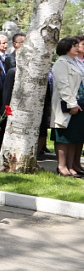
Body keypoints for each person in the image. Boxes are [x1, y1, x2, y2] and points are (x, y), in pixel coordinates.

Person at [49, 36, 84, 178]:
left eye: (77, 45)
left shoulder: (75, 62)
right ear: (66, 47)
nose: (77, 48)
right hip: (66, 105)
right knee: (63, 137)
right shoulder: (61, 63)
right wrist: (71, 104)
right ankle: (62, 166)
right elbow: (63, 85)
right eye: (74, 45)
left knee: (73, 137)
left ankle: (71, 166)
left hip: (78, 102)